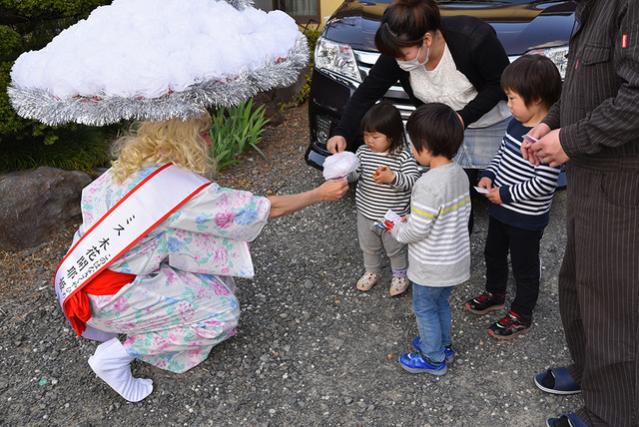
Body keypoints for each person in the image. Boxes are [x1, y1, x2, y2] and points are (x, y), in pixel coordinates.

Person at [67, 114, 348, 402]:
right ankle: (117, 354)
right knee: (222, 314)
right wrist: (319, 193)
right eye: (204, 133)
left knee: (203, 250)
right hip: (110, 295)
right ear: (185, 140)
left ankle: (156, 310)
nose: (211, 140)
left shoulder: (130, 166)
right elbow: (261, 209)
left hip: (81, 274)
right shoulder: (176, 191)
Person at [520, 2, 639, 426]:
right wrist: (548, 124)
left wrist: (571, 139)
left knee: (612, 300)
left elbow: (636, 98)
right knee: (578, 282)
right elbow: (584, 85)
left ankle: (613, 413)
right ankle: (592, 373)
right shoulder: (595, 6)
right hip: (590, 173)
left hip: (621, 179)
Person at [326, 0, 510, 230]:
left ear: (427, 40)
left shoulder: (473, 39)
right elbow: (367, 92)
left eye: (404, 55)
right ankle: (451, 241)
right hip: (442, 127)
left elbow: (499, 84)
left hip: (487, 120)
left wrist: (464, 116)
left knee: (499, 191)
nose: (399, 61)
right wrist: (342, 132)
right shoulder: (399, 52)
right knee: (449, 190)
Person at [463, 55, 562, 340]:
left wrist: (503, 194)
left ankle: (522, 312)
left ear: (537, 99)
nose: (508, 105)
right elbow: (501, 157)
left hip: (525, 219)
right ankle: (495, 293)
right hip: (500, 209)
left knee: (524, 265)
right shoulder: (515, 125)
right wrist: (489, 175)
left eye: (512, 98)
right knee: (493, 252)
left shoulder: (548, 139)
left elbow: (543, 184)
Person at [386, 103, 470, 375]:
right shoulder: (459, 173)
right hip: (454, 261)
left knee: (424, 308)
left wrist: (395, 227)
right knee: (440, 303)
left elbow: (416, 232)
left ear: (426, 146)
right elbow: (441, 216)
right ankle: (443, 345)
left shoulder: (426, 184)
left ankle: (433, 358)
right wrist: (414, 218)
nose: (411, 150)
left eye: (413, 145)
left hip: (430, 266)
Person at [348, 102, 420, 296]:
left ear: (392, 135)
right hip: (366, 212)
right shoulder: (363, 153)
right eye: (366, 135)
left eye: (375, 136)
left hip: (393, 215)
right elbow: (355, 174)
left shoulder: (403, 156)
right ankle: (372, 272)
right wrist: (344, 173)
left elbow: (413, 181)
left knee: (395, 248)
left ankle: (400, 275)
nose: (369, 140)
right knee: (368, 246)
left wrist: (393, 178)